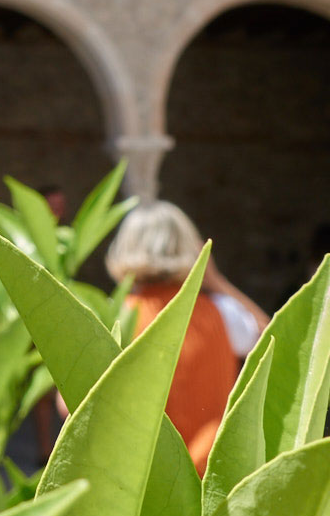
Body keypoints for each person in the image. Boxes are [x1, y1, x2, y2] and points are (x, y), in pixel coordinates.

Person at [105, 200, 267, 474]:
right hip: (210, 469)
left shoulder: (116, 316)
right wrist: (216, 280)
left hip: (143, 473)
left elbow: (67, 404)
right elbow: (270, 336)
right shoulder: (221, 311)